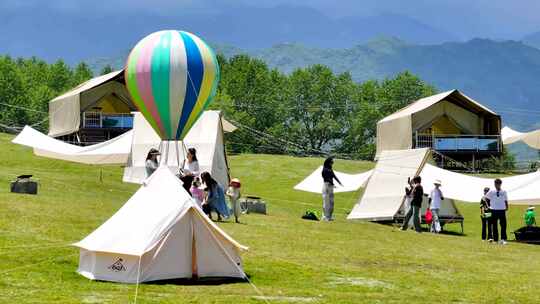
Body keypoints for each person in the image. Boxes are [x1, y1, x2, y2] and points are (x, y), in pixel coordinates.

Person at [484, 178, 509, 245]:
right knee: (494, 225)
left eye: (498, 183)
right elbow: (486, 198)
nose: (496, 185)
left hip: (502, 210)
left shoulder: (504, 191)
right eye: (495, 183)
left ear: (500, 184)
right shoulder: (491, 191)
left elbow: (506, 200)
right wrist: (488, 206)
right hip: (493, 210)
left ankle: (503, 239)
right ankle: (496, 239)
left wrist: (507, 206)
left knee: (503, 225)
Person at [321, 157, 343, 221]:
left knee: (332, 202)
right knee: (326, 202)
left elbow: (334, 176)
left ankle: (330, 216)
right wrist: (332, 184)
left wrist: (339, 182)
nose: (332, 164)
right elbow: (326, 178)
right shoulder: (324, 169)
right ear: (328, 163)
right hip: (326, 186)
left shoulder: (330, 169)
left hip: (331, 186)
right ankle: (325, 216)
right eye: (331, 163)